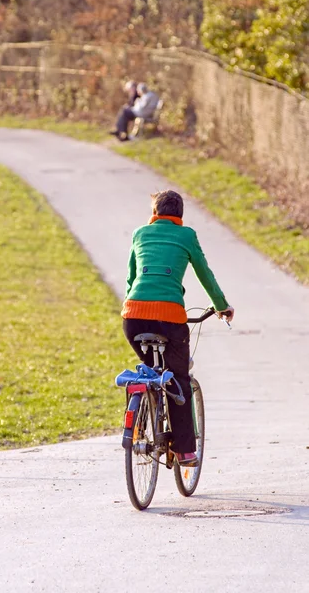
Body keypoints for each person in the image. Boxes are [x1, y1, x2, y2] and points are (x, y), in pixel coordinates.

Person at [121, 189, 234, 466]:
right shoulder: (187, 236)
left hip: (133, 316)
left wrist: (133, 305)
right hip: (170, 318)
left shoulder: (140, 234)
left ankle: (142, 419)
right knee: (178, 379)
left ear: (155, 213)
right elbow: (204, 273)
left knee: (150, 372)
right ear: (180, 216)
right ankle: (184, 451)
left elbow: (131, 278)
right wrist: (221, 306)